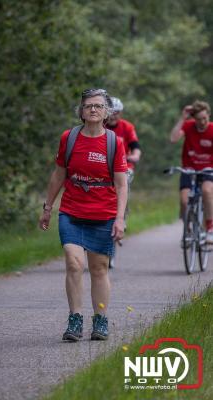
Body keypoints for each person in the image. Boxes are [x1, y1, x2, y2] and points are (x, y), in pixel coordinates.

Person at [39, 88, 128, 341]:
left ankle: (100, 320)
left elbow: (122, 185)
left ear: (106, 112)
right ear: (81, 110)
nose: (93, 109)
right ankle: (75, 319)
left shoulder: (114, 142)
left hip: (104, 212)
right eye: (88, 105)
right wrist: (47, 208)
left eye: (98, 106)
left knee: (99, 269)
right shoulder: (69, 138)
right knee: (73, 262)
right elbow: (58, 175)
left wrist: (120, 218)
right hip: (72, 210)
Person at [170, 100, 213, 244]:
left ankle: (209, 228)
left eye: (205, 118)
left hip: (208, 169)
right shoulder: (188, 126)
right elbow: (173, 139)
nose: (202, 122)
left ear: (209, 115)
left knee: (207, 191)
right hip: (189, 169)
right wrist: (183, 118)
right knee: (184, 200)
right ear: (194, 119)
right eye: (199, 119)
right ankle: (187, 230)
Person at [106, 97, 141, 267]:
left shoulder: (127, 127)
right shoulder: (101, 126)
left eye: (116, 113)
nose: (113, 116)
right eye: (111, 112)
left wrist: (134, 156)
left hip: (125, 165)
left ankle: (122, 216)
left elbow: (136, 147)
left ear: (120, 113)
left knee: (124, 182)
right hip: (105, 166)